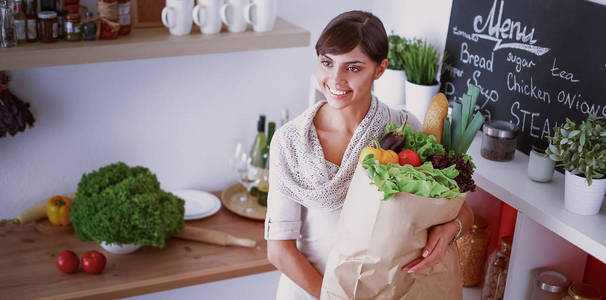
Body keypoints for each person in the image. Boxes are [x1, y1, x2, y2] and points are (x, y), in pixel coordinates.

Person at [265, 10, 473, 300]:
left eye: (353, 68)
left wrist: (452, 228)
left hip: (385, 292)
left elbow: (459, 209)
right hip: (310, 293)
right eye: (327, 63)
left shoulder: (404, 130)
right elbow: (279, 250)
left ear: (380, 69)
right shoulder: (290, 142)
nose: (335, 79)